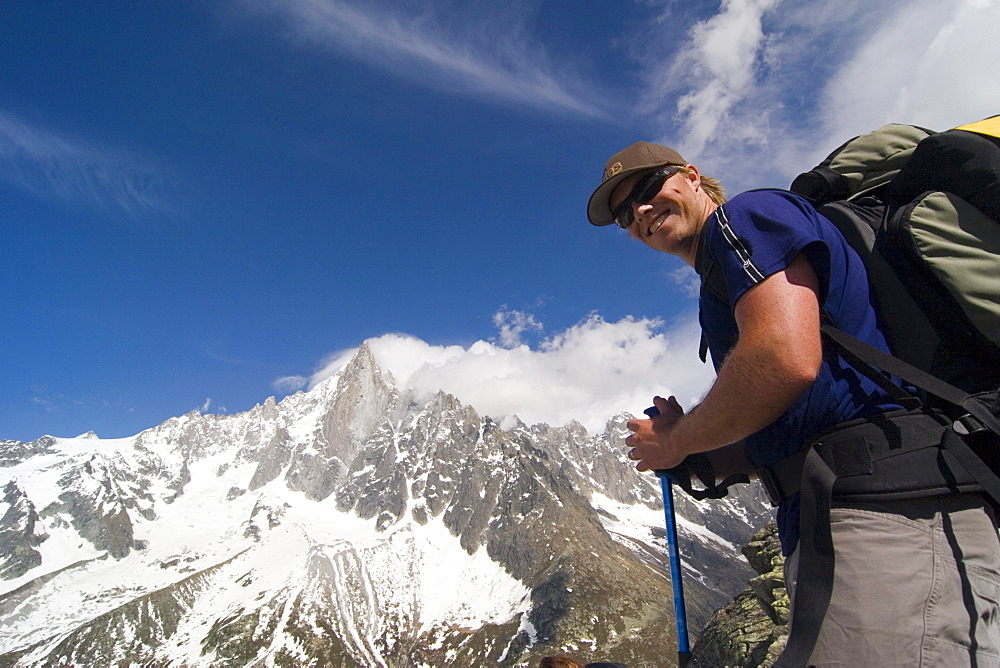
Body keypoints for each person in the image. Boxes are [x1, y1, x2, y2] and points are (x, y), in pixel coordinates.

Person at [586, 141, 1000, 666]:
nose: (640, 211)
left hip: (884, 508)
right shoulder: (722, 273)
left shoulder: (745, 218)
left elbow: (784, 359)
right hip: (858, 506)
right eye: (625, 212)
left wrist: (674, 441)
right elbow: (808, 403)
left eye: (647, 189)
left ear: (691, 176)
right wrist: (707, 455)